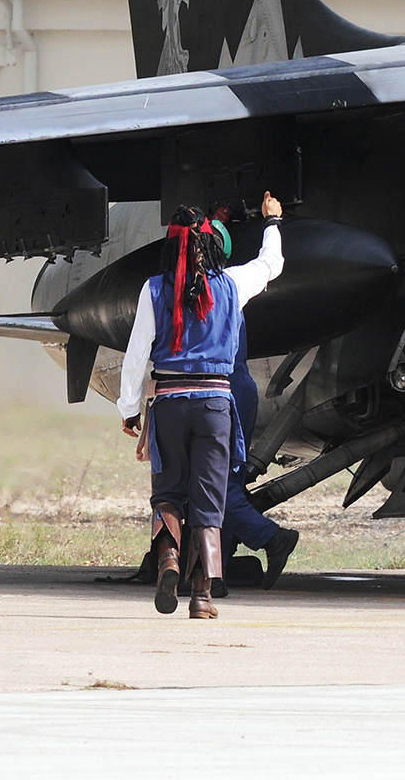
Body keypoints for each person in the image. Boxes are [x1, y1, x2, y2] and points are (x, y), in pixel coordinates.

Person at [119, 195, 284, 619]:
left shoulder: (153, 289)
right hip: (215, 404)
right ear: (211, 245)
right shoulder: (232, 284)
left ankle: (168, 561)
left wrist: (129, 409)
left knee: (168, 496)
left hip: (170, 403)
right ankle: (202, 597)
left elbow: (136, 356)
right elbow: (271, 265)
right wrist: (272, 222)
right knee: (209, 503)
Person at [220, 323, 299, 591]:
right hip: (235, 385)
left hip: (219, 388)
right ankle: (213, 572)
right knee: (226, 485)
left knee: (211, 486)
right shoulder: (231, 297)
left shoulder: (201, 297)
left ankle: (272, 537)